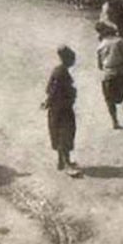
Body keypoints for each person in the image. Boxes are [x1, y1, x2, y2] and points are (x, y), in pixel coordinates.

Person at [43, 45, 80, 176]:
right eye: (72, 59)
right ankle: (66, 163)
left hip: (60, 108)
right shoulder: (61, 73)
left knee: (60, 134)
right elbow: (53, 90)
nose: (74, 61)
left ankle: (62, 161)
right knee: (65, 134)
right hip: (62, 109)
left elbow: (49, 89)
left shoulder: (59, 71)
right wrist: (49, 101)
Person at [96, 21, 123, 129]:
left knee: (109, 100)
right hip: (122, 73)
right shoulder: (119, 42)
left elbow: (99, 66)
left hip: (108, 75)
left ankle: (115, 121)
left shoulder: (100, 46)